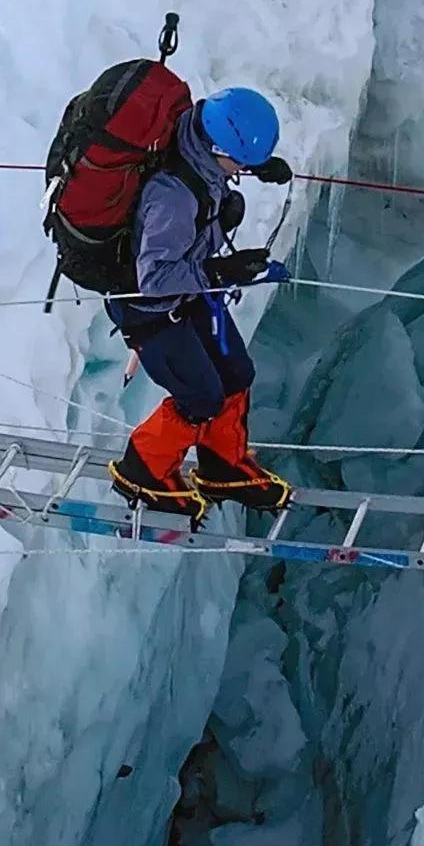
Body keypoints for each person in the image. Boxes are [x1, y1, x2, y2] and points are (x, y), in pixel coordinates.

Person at [106, 86, 295, 521]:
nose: (241, 170)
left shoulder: (197, 144)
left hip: (188, 290)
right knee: (201, 395)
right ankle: (142, 470)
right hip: (150, 309)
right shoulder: (172, 196)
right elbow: (152, 280)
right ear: (215, 149)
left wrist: (257, 165)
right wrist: (221, 272)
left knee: (236, 373)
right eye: (239, 162)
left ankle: (224, 467)